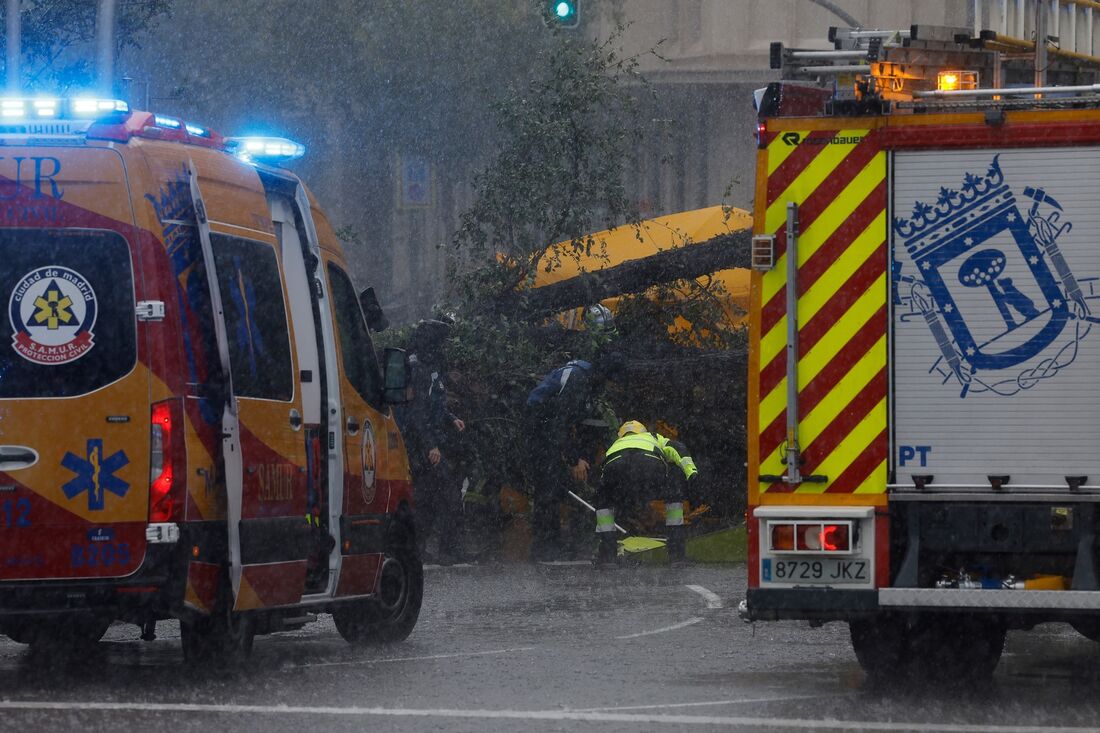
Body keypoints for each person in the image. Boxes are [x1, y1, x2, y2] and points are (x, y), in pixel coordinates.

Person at [525, 352, 625, 561]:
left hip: (547, 430)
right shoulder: (578, 380)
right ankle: (543, 548)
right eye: (611, 381)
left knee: (555, 486)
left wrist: (580, 456)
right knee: (548, 488)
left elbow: (574, 423)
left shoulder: (586, 377)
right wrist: (573, 460)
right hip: (539, 431)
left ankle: (553, 543)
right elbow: (558, 422)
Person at [394, 319, 467, 565]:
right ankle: (447, 550)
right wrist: (430, 446)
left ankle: (420, 548)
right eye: (442, 341)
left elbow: (434, 402)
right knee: (447, 494)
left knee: (427, 497)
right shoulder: (419, 369)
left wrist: (451, 418)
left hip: (427, 439)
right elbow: (417, 412)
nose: (445, 346)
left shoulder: (430, 365)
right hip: (420, 443)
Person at [594, 420, 698, 565]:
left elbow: (604, 469)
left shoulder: (616, 444)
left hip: (617, 469)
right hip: (649, 467)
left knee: (603, 501)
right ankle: (677, 555)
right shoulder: (653, 436)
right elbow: (677, 448)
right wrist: (691, 472)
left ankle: (608, 556)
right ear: (642, 431)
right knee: (673, 494)